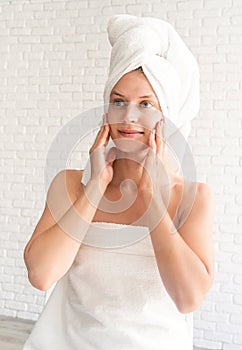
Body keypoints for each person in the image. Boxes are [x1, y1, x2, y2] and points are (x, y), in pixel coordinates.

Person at [23, 15, 215, 350]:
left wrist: (152, 198)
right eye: (118, 100)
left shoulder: (194, 197)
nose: (128, 117)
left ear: (166, 115)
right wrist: (94, 188)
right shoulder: (70, 185)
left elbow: (188, 298)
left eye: (145, 104)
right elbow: (41, 275)